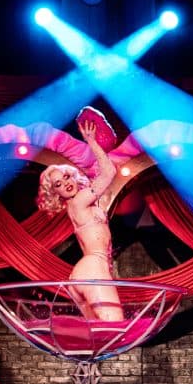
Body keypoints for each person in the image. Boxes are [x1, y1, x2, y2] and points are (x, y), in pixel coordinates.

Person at [36, 118, 123, 321]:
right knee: (115, 328)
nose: (65, 184)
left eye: (66, 177)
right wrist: (91, 141)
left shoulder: (78, 205)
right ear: (55, 193)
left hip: (84, 273)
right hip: (92, 269)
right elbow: (109, 172)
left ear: (73, 176)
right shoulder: (78, 201)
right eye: (58, 184)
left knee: (100, 335)